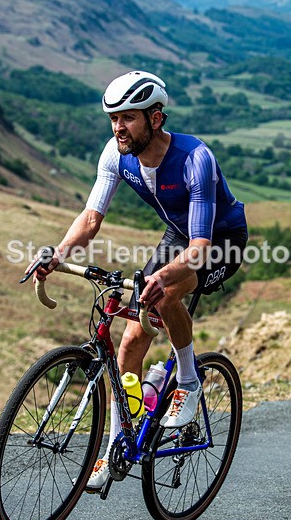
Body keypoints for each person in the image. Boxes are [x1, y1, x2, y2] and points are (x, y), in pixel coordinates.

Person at [29, 70, 247, 491]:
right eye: (113, 118)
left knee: (164, 297)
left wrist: (162, 277)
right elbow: (91, 219)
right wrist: (58, 254)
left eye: (128, 118)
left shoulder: (195, 158)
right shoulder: (115, 153)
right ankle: (118, 441)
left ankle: (187, 380)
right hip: (179, 235)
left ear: (156, 118)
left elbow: (200, 246)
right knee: (129, 342)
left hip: (220, 240)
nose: (117, 127)